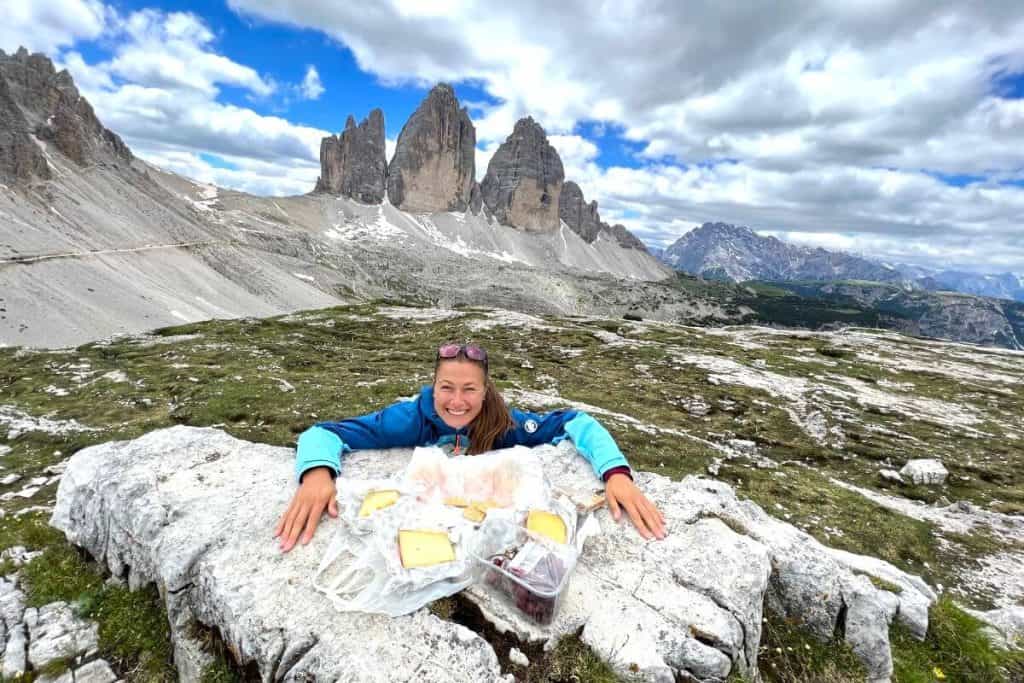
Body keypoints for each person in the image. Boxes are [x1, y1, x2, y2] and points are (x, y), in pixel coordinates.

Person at [275, 342, 667, 552]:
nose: (457, 401)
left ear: (485, 391)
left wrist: (616, 475)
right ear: (433, 387)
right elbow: (323, 433)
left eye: (469, 390)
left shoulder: (503, 423)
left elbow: (574, 422)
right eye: (446, 388)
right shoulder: (408, 419)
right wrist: (316, 474)